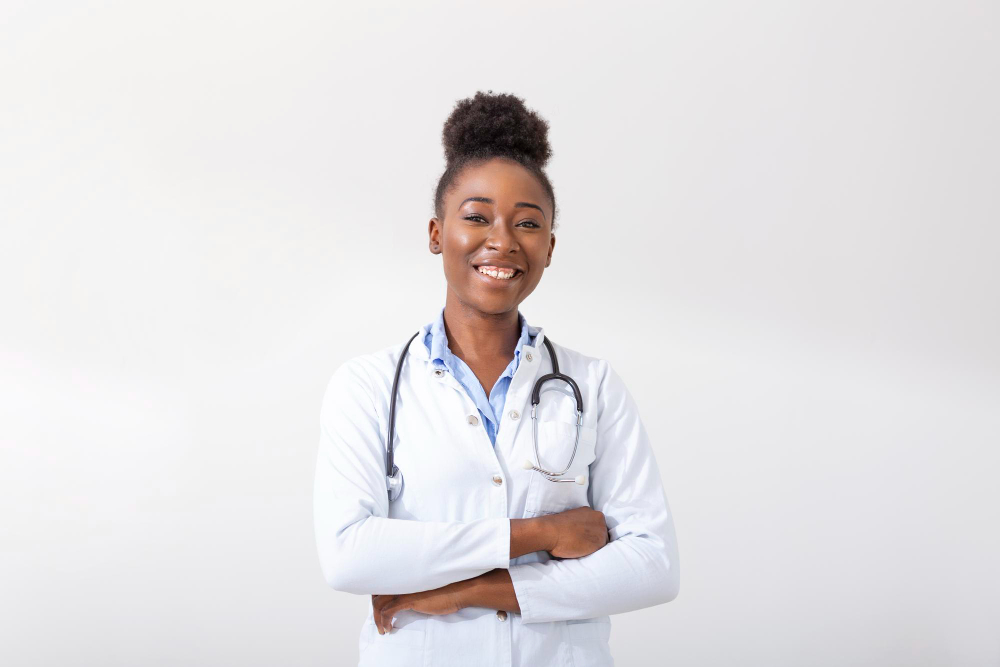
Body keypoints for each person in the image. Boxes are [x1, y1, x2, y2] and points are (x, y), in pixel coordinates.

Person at [313, 91, 680, 666]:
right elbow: (348, 556)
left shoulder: (594, 385)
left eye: (527, 223)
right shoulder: (367, 385)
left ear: (550, 247)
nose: (502, 240)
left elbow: (653, 565)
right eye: (477, 216)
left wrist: (476, 591)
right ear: (437, 234)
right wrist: (539, 534)